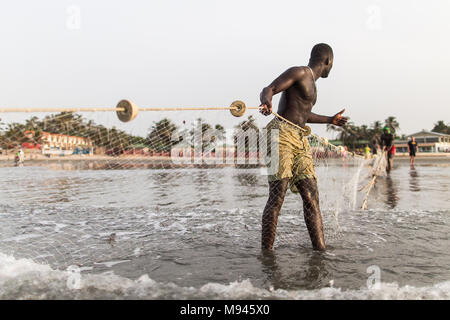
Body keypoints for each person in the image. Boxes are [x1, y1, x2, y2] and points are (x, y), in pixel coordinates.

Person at [259, 43, 347, 251]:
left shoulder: (313, 85)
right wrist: (266, 101)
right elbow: (269, 88)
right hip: (279, 134)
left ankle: (320, 251)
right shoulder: (299, 72)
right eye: (331, 64)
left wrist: (330, 120)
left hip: (300, 138)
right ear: (328, 62)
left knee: (311, 195)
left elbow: (303, 115)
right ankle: (266, 254)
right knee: (277, 194)